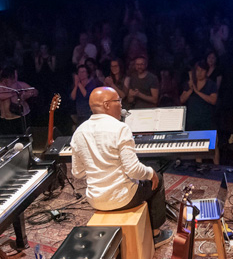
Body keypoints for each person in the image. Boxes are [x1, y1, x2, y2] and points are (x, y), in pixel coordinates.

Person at [70, 87, 171, 244]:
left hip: (95, 199)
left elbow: (77, 172)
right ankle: (156, 234)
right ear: (107, 104)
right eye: (118, 101)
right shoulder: (120, 128)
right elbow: (134, 170)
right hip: (123, 198)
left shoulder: (79, 132)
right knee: (157, 178)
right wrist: (151, 172)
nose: (122, 107)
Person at [0, 66, 38, 135]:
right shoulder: (0, 86)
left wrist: (27, 94)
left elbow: (34, 91)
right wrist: (14, 93)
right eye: (15, 74)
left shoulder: (20, 84)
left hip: (21, 115)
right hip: (8, 118)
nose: (16, 76)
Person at [180, 61, 218, 131]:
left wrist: (197, 92)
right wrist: (191, 90)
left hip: (206, 122)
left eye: (202, 70)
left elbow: (213, 100)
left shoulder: (211, 84)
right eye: (198, 70)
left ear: (206, 71)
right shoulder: (189, 84)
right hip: (191, 122)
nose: (200, 73)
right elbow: (182, 99)